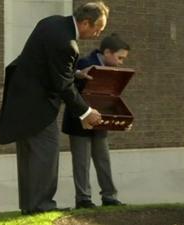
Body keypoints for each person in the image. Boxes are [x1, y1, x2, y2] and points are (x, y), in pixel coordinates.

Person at [0, 2, 109, 215]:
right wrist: (86, 112)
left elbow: (45, 63)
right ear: (85, 23)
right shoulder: (67, 43)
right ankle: (42, 206)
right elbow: (62, 84)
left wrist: (75, 73)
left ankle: (30, 206)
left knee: (28, 157)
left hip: (21, 101)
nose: (98, 34)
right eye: (97, 28)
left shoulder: (51, 23)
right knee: (46, 154)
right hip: (39, 106)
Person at [62, 33, 130, 209]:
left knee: (103, 159)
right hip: (78, 121)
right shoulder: (84, 64)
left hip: (99, 121)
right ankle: (83, 199)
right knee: (82, 162)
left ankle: (109, 197)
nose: (121, 62)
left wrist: (119, 117)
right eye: (119, 57)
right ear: (107, 52)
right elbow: (70, 90)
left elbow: (109, 96)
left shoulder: (111, 69)